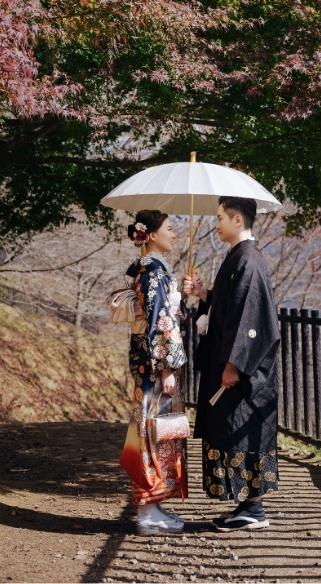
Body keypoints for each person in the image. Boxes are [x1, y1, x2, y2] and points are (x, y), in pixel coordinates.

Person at [182, 196, 281, 532]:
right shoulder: (239, 257)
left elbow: (250, 318)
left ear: (238, 220)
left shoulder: (249, 259)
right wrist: (203, 293)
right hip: (230, 364)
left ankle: (254, 508)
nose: (217, 222)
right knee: (229, 430)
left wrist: (235, 364)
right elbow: (229, 306)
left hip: (242, 371)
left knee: (243, 430)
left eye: (222, 217)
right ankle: (247, 505)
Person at [117, 209, 189, 535]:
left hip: (147, 365)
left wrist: (181, 298)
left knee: (153, 431)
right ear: (153, 234)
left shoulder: (147, 270)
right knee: (152, 432)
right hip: (154, 367)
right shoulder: (153, 272)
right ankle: (148, 512)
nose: (174, 234)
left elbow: (161, 315)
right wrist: (167, 368)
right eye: (171, 228)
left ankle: (153, 506)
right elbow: (160, 324)